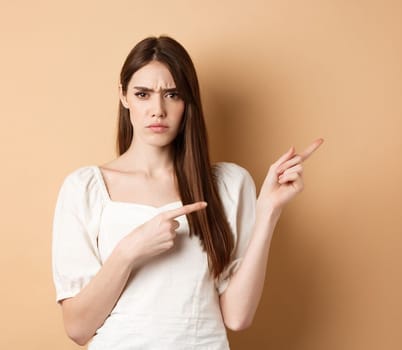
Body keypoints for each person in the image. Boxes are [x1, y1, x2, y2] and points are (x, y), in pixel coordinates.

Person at [50, 35, 323, 349]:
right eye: (143, 94)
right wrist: (129, 252)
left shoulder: (228, 184)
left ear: (188, 100)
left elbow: (237, 317)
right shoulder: (84, 189)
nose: (158, 109)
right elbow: (78, 327)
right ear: (124, 96)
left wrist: (268, 212)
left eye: (172, 94)